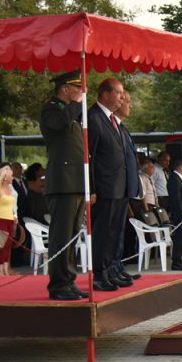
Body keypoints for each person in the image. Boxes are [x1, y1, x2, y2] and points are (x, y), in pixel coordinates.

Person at [40, 71, 88, 300]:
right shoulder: (52, 108)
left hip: (75, 181)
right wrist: (76, 105)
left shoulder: (71, 113)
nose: (81, 91)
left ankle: (68, 280)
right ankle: (58, 284)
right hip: (62, 182)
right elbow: (58, 125)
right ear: (65, 89)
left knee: (71, 236)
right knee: (61, 236)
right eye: (77, 88)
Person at [87, 78, 132, 291]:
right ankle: (98, 273)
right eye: (119, 93)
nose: (122, 97)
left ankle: (110, 270)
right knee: (103, 232)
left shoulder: (113, 120)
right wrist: (92, 188)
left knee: (114, 232)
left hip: (119, 187)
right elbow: (89, 158)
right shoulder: (93, 118)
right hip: (104, 189)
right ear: (105, 94)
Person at [114, 90, 143, 279]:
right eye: (127, 101)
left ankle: (117, 268)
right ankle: (111, 269)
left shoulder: (122, 128)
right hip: (113, 187)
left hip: (123, 188)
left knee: (119, 232)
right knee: (112, 232)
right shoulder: (105, 124)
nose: (129, 105)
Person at [0, 166, 18, 276]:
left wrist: (14, 216)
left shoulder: (10, 189)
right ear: (5, 177)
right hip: (0, 220)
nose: (13, 178)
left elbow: (11, 205)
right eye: (11, 176)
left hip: (10, 220)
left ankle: (5, 269)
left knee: (8, 246)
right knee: (2, 246)